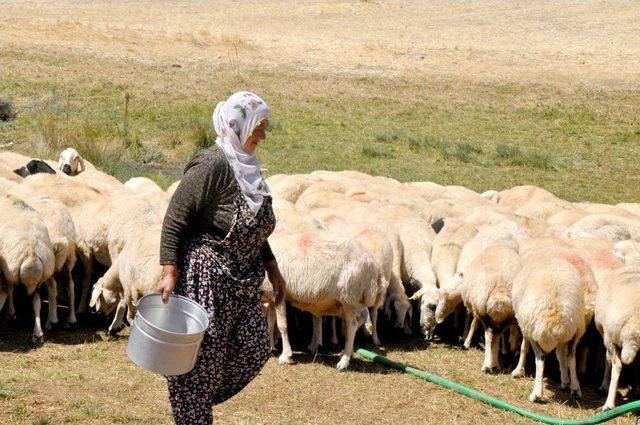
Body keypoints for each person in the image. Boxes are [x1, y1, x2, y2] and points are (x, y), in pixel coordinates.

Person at [156, 91, 286, 425]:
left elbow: (253, 228)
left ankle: (192, 399)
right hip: (206, 280)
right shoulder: (212, 164)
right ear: (237, 123)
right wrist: (170, 271)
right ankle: (193, 406)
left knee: (255, 348)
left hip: (242, 282)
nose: (263, 134)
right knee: (202, 363)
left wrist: (273, 269)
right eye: (259, 126)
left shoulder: (250, 170)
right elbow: (175, 219)